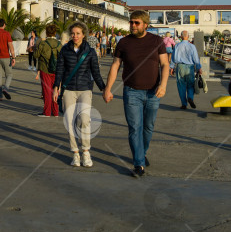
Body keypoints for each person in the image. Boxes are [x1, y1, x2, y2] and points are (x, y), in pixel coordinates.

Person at [103, 10, 169, 178]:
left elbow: (165, 64)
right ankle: (138, 163)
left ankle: (142, 152)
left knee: (148, 127)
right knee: (134, 128)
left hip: (153, 92)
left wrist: (163, 85)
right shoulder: (124, 43)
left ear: (145, 24)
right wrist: (108, 89)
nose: (133, 25)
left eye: (136, 23)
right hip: (131, 92)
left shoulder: (156, 41)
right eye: (131, 22)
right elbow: (115, 66)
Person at [53, 21, 105, 167]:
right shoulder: (64, 50)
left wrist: (104, 89)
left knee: (84, 119)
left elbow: (96, 72)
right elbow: (60, 70)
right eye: (73, 33)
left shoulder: (90, 52)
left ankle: (86, 151)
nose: (75, 36)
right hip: (68, 89)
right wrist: (56, 87)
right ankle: (75, 153)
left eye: (78, 33)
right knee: (69, 121)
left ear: (84, 35)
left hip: (85, 89)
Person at [170, 30, 202, 110]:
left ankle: (184, 104)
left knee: (181, 85)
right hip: (190, 67)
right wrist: (199, 67)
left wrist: (172, 67)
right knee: (190, 84)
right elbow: (196, 59)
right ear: (188, 37)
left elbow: (173, 58)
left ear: (181, 36)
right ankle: (190, 97)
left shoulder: (177, 46)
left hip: (180, 66)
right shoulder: (192, 46)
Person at [35, 23, 62, 117]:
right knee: (55, 90)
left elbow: (36, 55)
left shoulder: (43, 43)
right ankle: (55, 112)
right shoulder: (59, 44)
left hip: (45, 69)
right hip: (56, 70)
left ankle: (46, 112)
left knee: (47, 91)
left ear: (46, 32)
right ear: (55, 32)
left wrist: (36, 46)